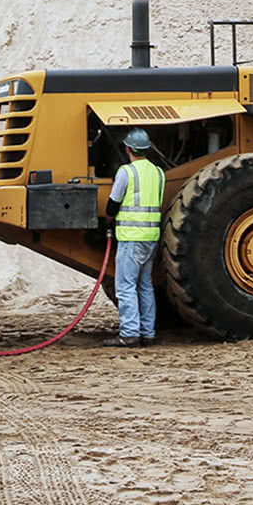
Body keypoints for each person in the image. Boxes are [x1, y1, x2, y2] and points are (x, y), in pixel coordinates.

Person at [103, 128, 165, 348]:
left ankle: (129, 334)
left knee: (126, 287)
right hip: (151, 238)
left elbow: (113, 203)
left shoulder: (126, 172)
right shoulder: (159, 173)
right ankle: (148, 333)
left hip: (131, 238)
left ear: (127, 148)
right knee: (145, 285)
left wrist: (109, 219)